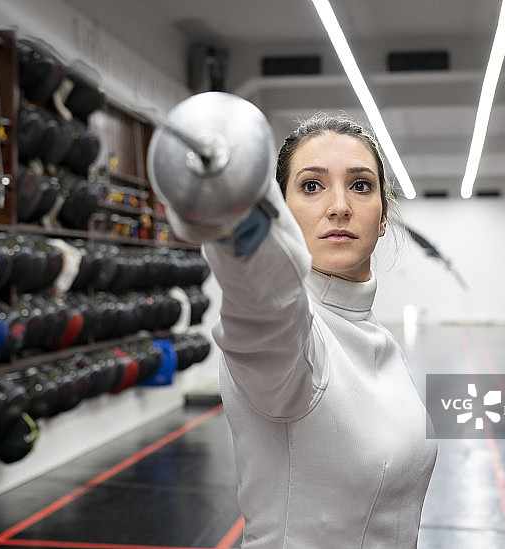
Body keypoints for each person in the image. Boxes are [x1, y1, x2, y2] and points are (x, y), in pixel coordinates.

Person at [167, 112, 437, 548]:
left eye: (360, 185)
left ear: (384, 217)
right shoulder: (295, 338)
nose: (339, 206)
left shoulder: (379, 341)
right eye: (312, 186)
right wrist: (232, 220)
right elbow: (265, 305)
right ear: (283, 211)